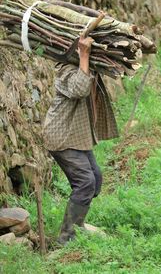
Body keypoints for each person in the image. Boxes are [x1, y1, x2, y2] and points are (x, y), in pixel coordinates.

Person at [43, 35, 118, 245]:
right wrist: (84, 55)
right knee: (85, 183)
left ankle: (78, 223)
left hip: (77, 137)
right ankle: (66, 237)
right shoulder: (64, 70)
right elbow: (80, 89)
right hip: (62, 137)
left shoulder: (83, 67)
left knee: (95, 179)